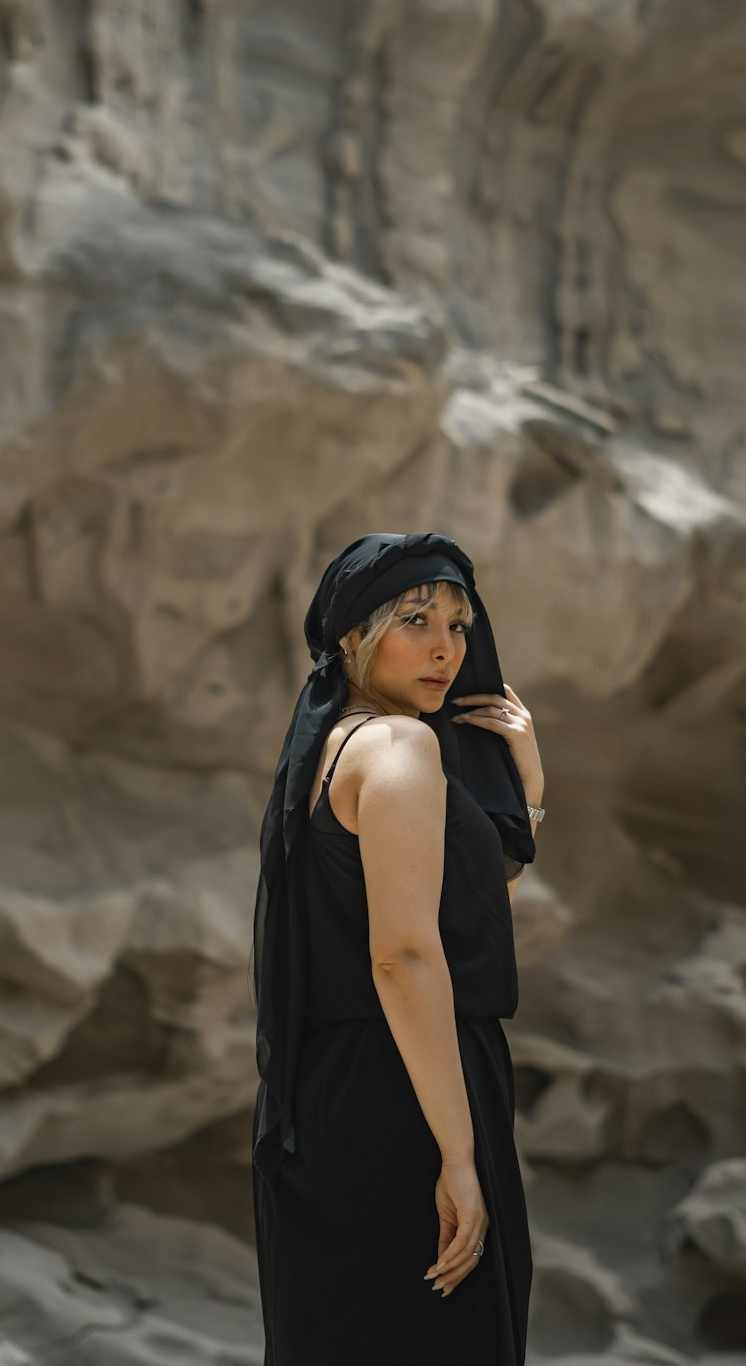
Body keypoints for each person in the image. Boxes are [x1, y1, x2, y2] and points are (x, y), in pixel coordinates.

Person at [251, 531, 545, 1364]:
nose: (446, 648)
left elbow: (458, 919)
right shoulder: (399, 748)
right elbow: (406, 958)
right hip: (407, 1099)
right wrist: (458, 1154)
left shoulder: (326, 752)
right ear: (351, 635)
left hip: (337, 1097)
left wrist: (528, 790)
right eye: (415, 619)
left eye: (459, 624)